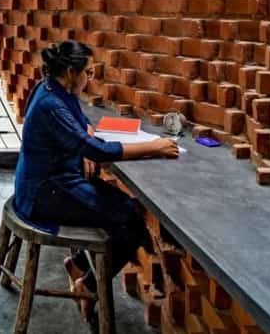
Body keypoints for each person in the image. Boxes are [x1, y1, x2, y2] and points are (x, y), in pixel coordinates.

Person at [13, 40, 179, 320]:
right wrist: (155, 147)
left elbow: (80, 123)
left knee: (126, 214)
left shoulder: (54, 87)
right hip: (44, 193)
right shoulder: (51, 104)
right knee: (132, 223)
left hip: (52, 182)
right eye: (88, 73)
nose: (90, 79)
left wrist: (83, 139)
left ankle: (77, 266)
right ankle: (87, 286)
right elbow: (97, 150)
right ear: (70, 71)